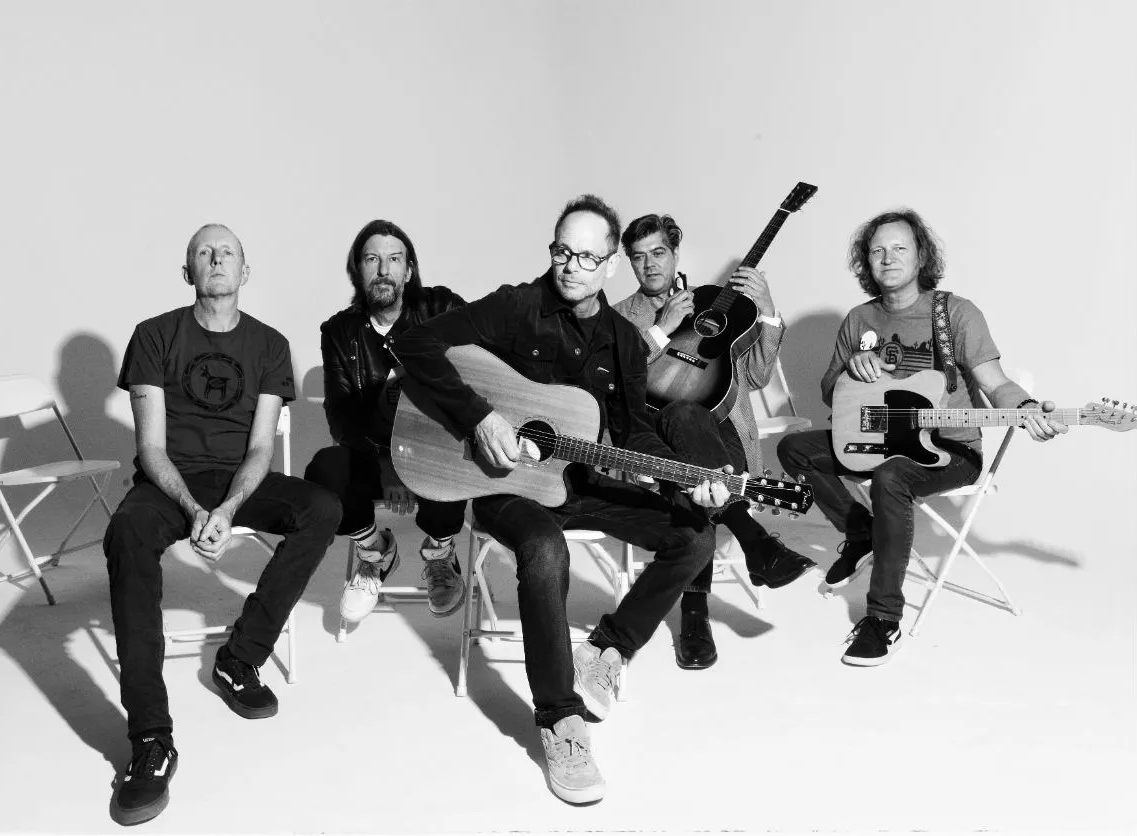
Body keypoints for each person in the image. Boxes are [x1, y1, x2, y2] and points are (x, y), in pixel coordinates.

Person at [391, 195, 733, 805]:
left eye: (585, 256)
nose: (569, 266)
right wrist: (482, 417)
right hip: (505, 484)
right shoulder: (515, 306)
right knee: (545, 549)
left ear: (608, 264)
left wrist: (686, 475)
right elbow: (414, 347)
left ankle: (607, 648)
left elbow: (632, 434)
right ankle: (560, 719)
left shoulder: (624, 340)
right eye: (560, 251)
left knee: (695, 533)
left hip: (579, 482)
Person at [104, 224, 342, 825]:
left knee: (323, 508)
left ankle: (240, 658)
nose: (215, 260)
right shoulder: (154, 336)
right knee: (126, 531)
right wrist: (193, 510)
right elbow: (152, 448)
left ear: (245, 272)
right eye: (203, 253)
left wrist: (228, 510)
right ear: (188, 272)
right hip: (169, 482)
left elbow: (261, 449)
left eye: (227, 252)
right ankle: (150, 740)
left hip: (238, 480)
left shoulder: (268, 345)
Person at [777, 209, 1066, 666]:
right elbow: (833, 392)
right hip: (879, 438)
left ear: (920, 256)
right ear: (865, 262)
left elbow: (996, 383)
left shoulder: (955, 313)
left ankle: (883, 619)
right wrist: (853, 367)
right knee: (794, 448)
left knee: (892, 477)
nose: (888, 258)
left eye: (899, 248)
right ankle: (860, 532)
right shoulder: (859, 318)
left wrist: (1027, 409)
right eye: (877, 250)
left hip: (950, 448)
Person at [615, 213, 818, 670]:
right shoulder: (620, 317)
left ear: (675, 254)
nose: (650, 265)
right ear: (629, 262)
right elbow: (614, 382)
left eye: (658, 253)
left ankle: (699, 607)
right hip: (654, 446)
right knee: (685, 421)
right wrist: (662, 329)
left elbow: (760, 375)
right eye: (638, 257)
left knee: (696, 451)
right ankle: (747, 553)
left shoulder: (719, 306)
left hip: (726, 440)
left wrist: (766, 310)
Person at [304, 220, 468, 622]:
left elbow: (477, 378)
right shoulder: (340, 332)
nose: (383, 269)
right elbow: (341, 417)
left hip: (434, 453)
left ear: (408, 270)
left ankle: (440, 552)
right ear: (357, 271)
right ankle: (376, 552)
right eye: (372, 259)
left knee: (462, 457)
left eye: (394, 259)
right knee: (324, 469)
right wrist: (387, 463)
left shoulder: (442, 309)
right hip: (376, 457)